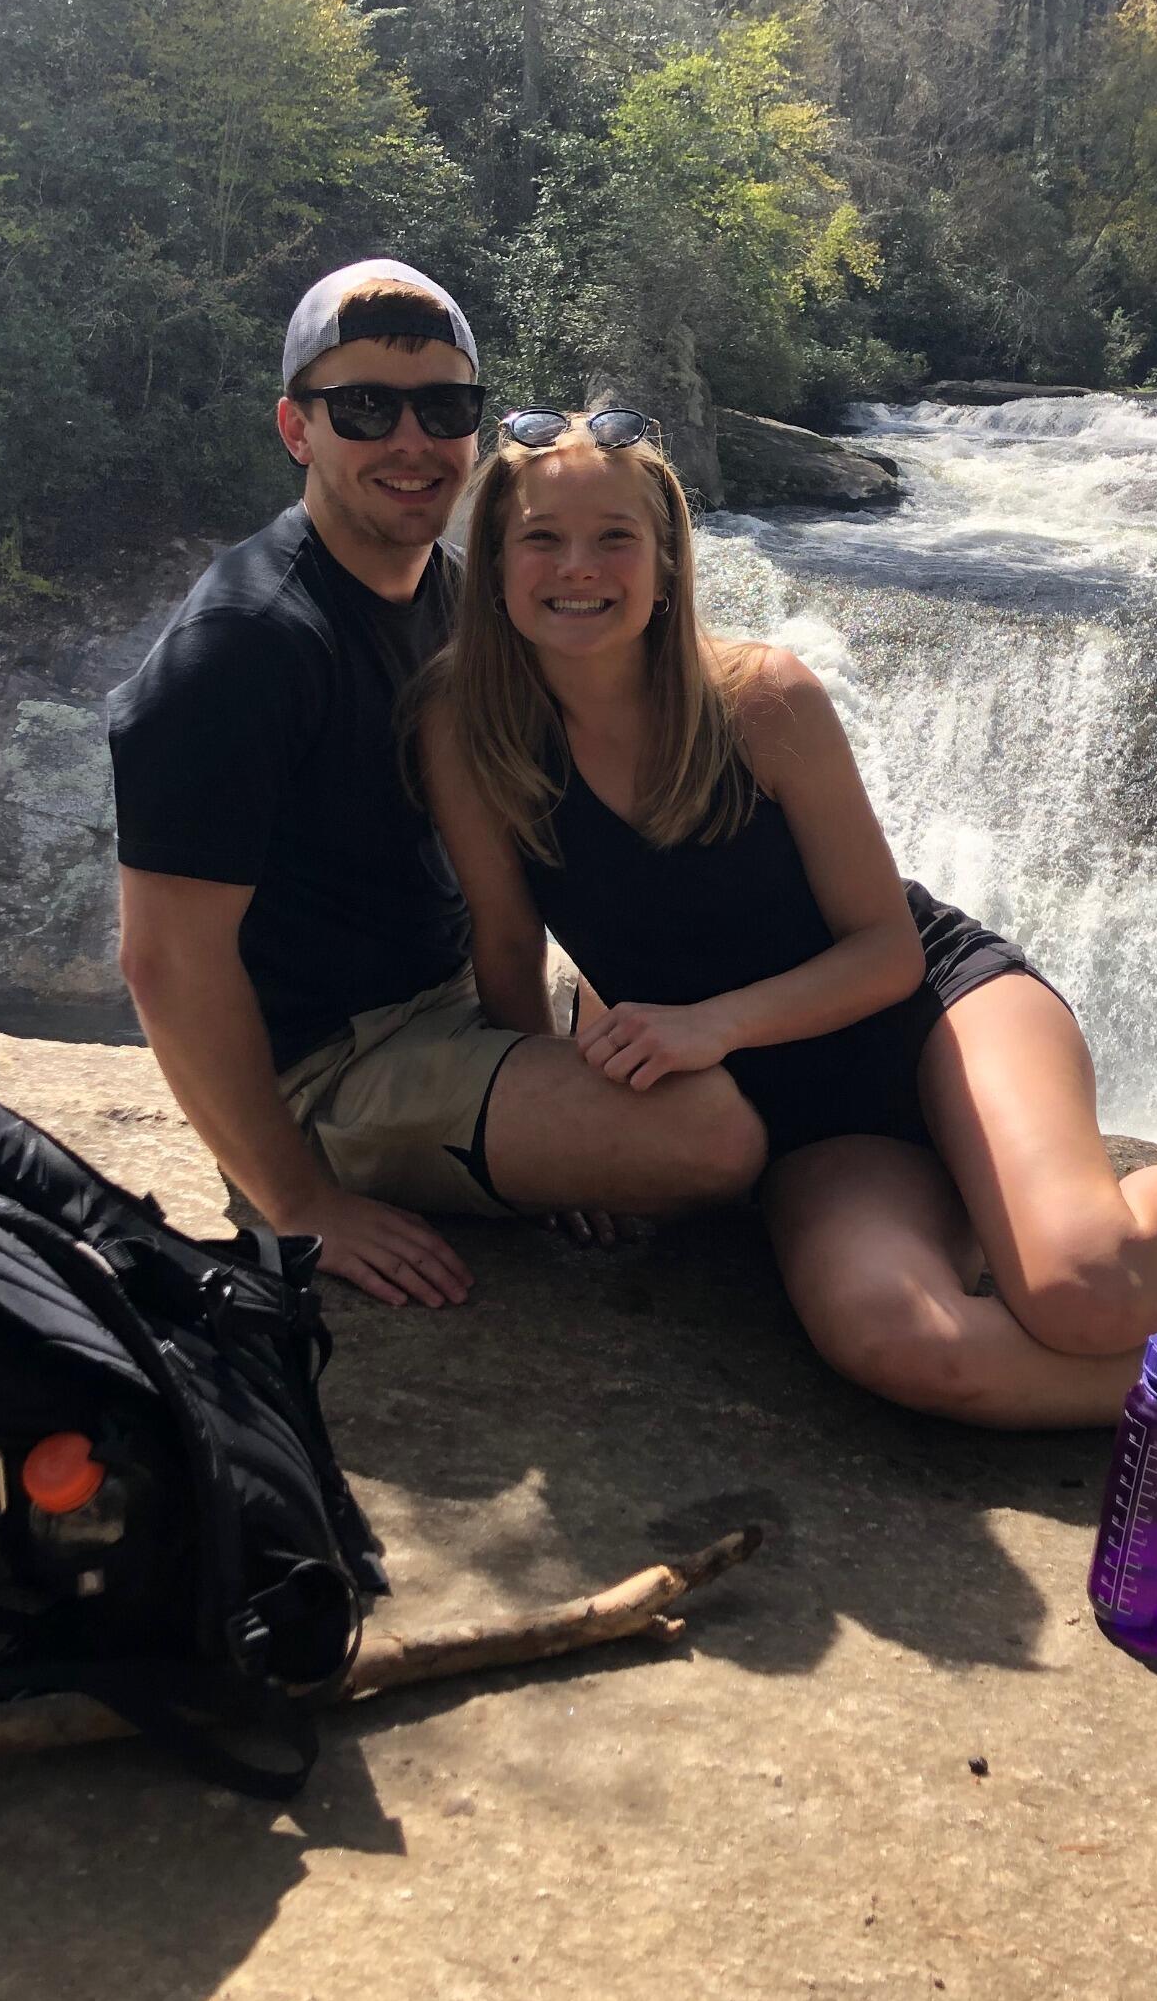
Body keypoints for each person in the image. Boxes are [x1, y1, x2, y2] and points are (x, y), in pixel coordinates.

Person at [414, 408, 1157, 1489]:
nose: (580, 567)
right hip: (806, 1127)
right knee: (906, 1345)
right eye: (542, 539)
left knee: (1087, 1295)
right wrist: (566, 1138)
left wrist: (710, 1024)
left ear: (666, 565)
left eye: (616, 538)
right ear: (494, 561)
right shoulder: (467, 731)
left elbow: (885, 952)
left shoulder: (760, 699)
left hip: (937, 1013)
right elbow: (510, 953)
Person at [106, 265, 766, 1309]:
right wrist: (298, 1198)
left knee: (747, 1026)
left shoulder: (461, 599)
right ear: (296, 428)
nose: (411, 442)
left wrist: (546, 1098)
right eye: (364, 408)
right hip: (330, 1070)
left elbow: (532, 876)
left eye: (445, 407)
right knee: (713, 1134)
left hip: (453, 1014)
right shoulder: (241, 651)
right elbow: (163, 960)